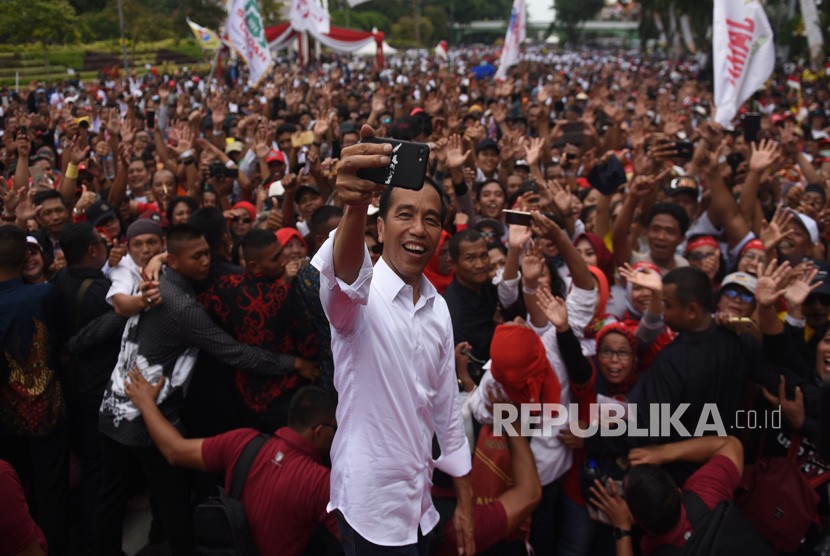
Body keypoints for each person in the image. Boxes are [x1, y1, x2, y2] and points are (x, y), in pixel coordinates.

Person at [93, 224, 318, 556]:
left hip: (115, 404)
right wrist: (293, 364)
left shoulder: (160, 277)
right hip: (145, 414)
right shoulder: (182, 308)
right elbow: (234, 352)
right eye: (196, 256)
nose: (205, 261)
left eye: (206, 253)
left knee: (111, 496)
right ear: (176, 260)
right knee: (174, 501)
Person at [311, 125, 474, 555]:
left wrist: (466, 497)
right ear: (379, 228)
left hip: (421, 505)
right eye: (404, 214)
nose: (418, 229)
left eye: (431, 219)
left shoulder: (437, 307)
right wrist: (354, 206)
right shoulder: (358, 301)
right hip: (370, 512)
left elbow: (445, 406)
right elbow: (344, 275)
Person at [124, 375, 340, 556]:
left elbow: (175, 450)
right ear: (319, 430)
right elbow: (360, 539)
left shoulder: (243, 441)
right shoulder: (320, 482)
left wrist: (146, 403)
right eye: (335, 428)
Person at [0, 225, 68, 555]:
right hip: (46, 413)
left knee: (19, 490)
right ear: (26, 257)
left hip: (6, 421)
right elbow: (64, 342)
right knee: (50, 490)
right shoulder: (42, 295)